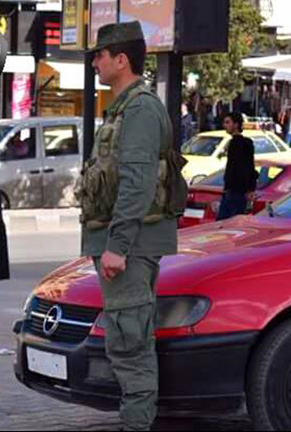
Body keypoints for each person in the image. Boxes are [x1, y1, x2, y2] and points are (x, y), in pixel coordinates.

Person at [76, 21, 184, 431]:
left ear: (122, 60)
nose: (94, 64)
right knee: (129, 339)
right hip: (125, 241)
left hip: (131, 245)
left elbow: (137, 182)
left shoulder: (139, 109)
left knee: (129, 344)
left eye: (100, 56)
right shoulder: (125, 107)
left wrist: (118, 246)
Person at [217, 112, 257, 221]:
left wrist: (249, 188)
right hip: (238, 189)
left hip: (235, 190)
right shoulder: (244, 143)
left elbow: (242, 167)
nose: (225, 125)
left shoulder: (237, 143)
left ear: (236, 124)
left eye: (228, 122)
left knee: (225, 222)